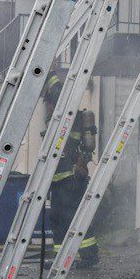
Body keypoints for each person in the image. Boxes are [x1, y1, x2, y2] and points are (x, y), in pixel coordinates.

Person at [48, 108, 99, 267]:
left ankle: (89, 256)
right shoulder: (59, 123)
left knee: (73, 218)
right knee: (57, 220)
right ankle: (59, 257)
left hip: (72, 181)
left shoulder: (71, 122)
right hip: (58, 183)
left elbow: (71, 146)